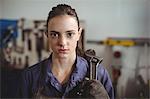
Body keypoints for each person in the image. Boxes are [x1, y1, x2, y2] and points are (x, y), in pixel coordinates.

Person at [20, 4, 114, 99]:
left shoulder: (99, 74)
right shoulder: (29, 77)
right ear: (47, 35)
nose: (62, 42)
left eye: (69, 34)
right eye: (55, 34)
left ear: (78, 34)